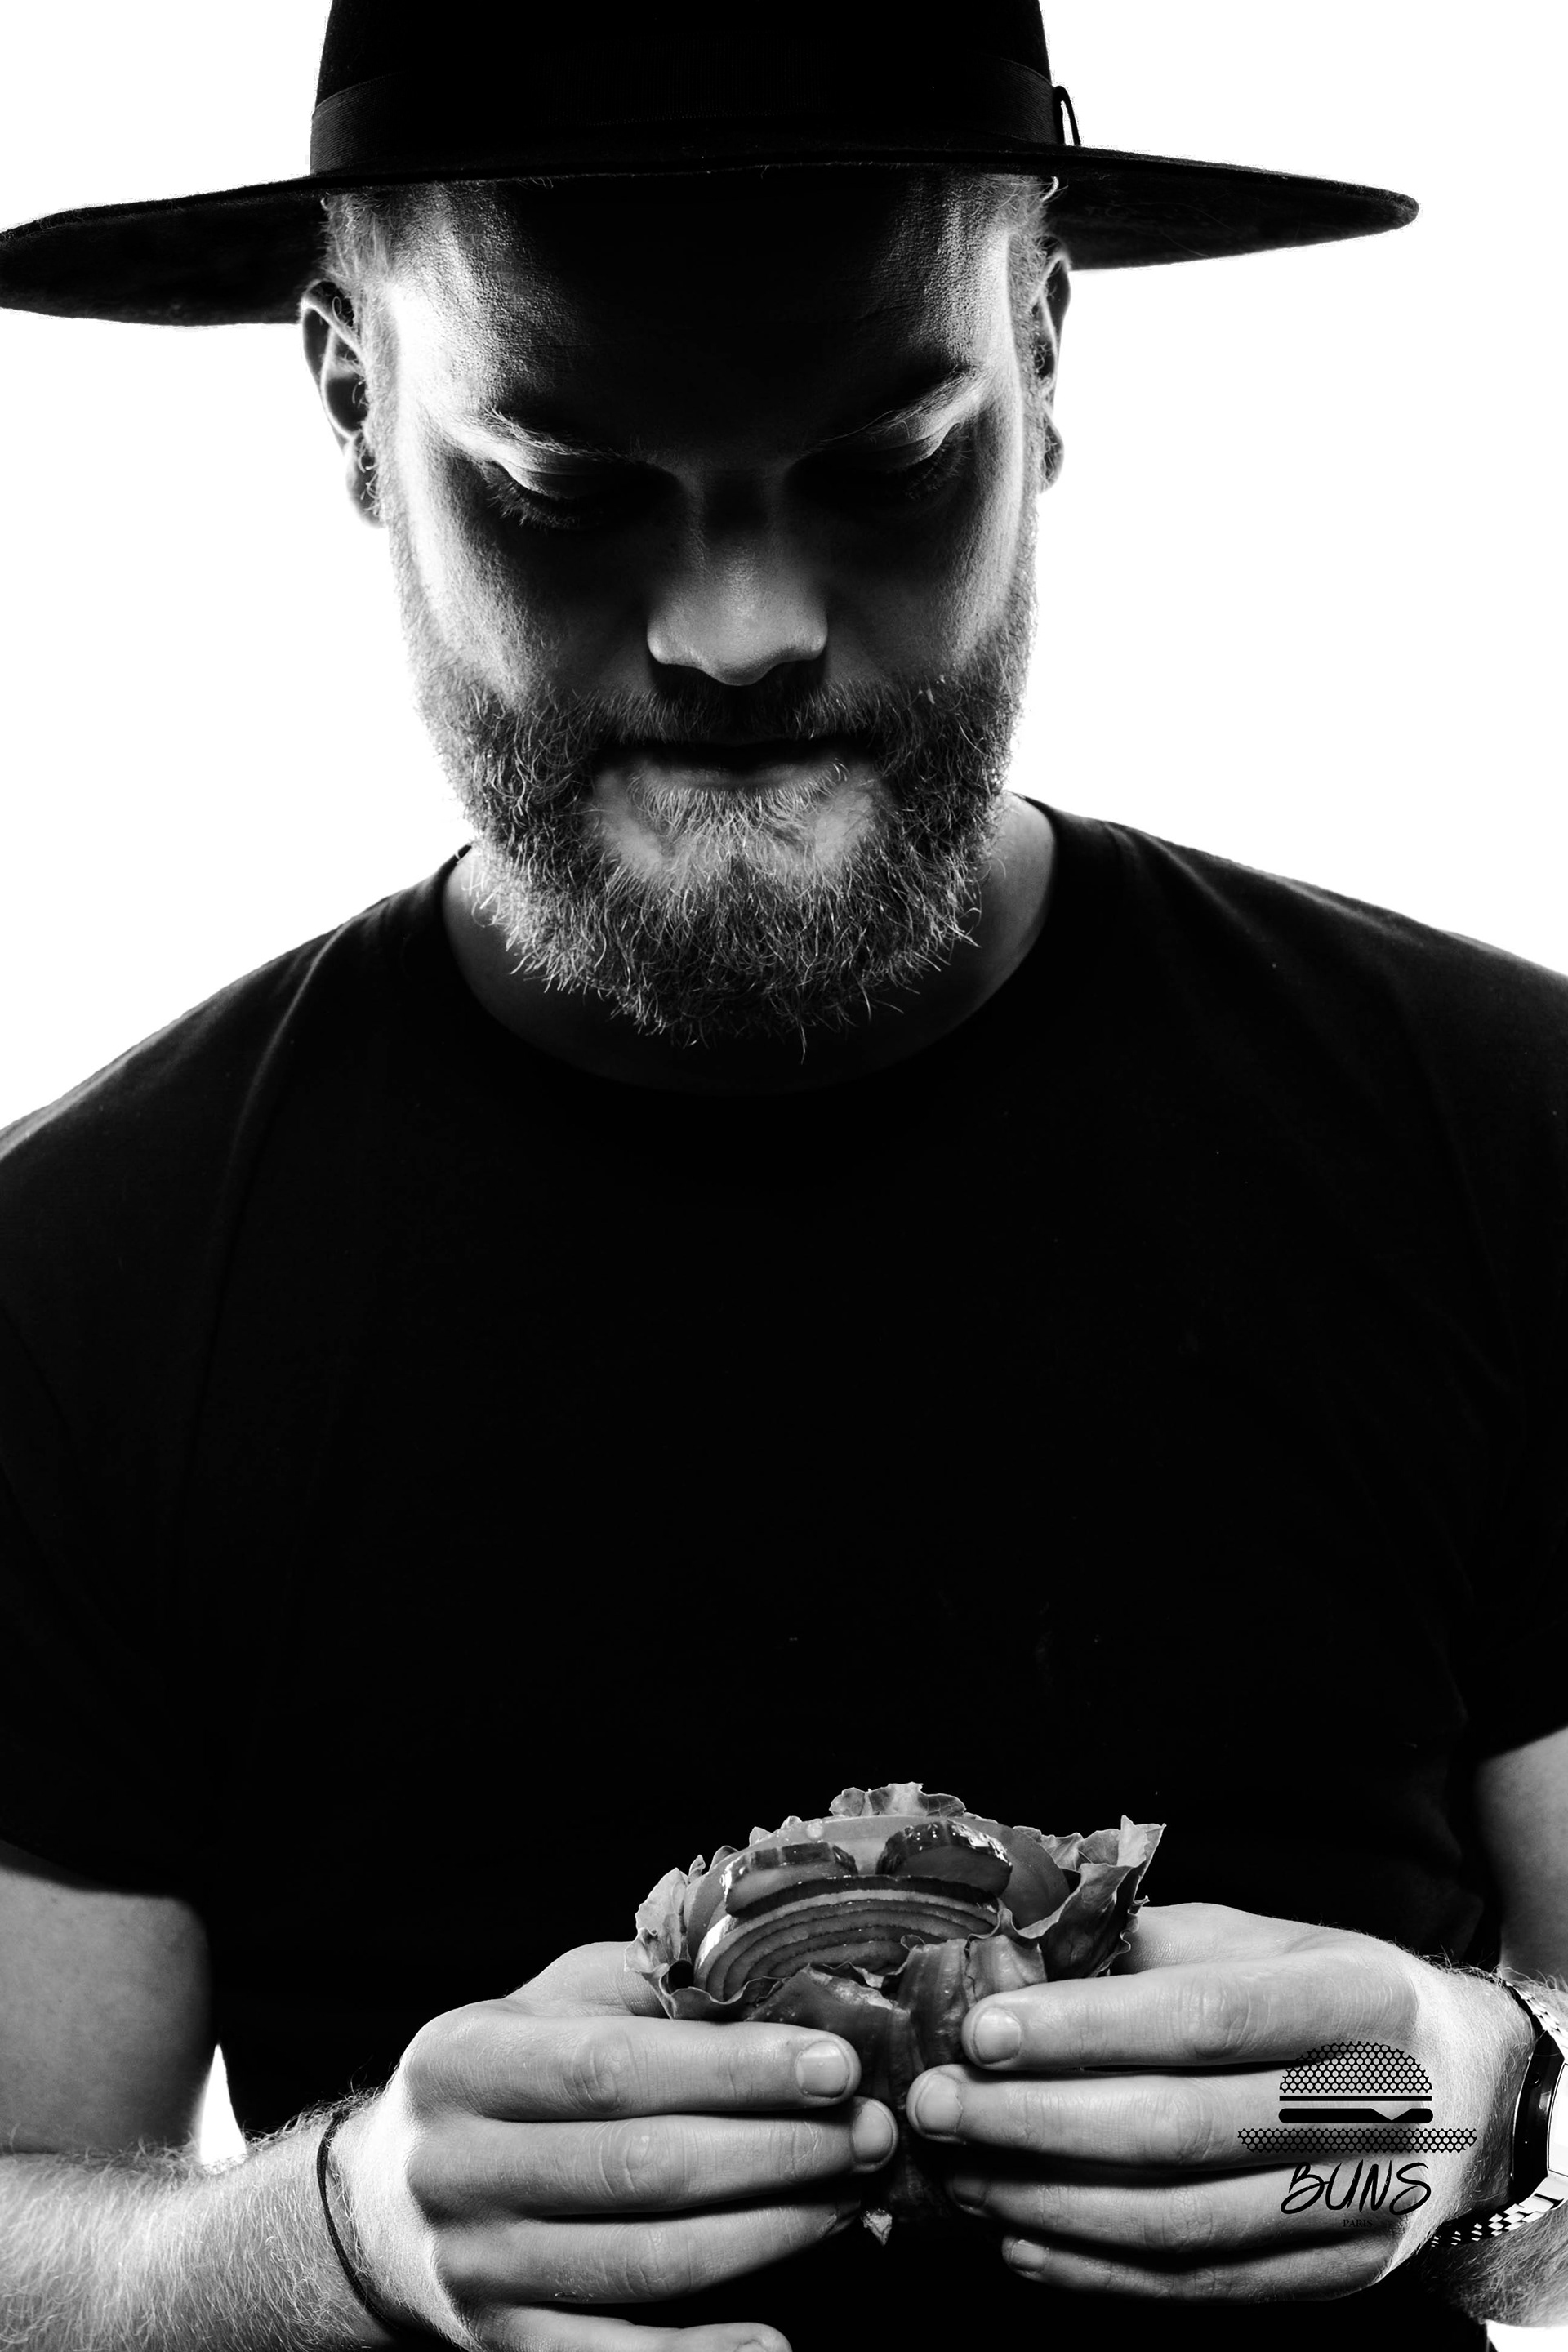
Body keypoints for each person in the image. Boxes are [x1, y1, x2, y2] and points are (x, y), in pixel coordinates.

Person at [0, 4, 1565, 2349]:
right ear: (350, 400)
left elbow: (1524, 2170)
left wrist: (1476, 2110)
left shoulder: (1509, 1128)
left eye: (888, 464)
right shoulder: (69, 1285)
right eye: (565, 488)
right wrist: (336, 2235)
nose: (741, 632)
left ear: (1044, 356)